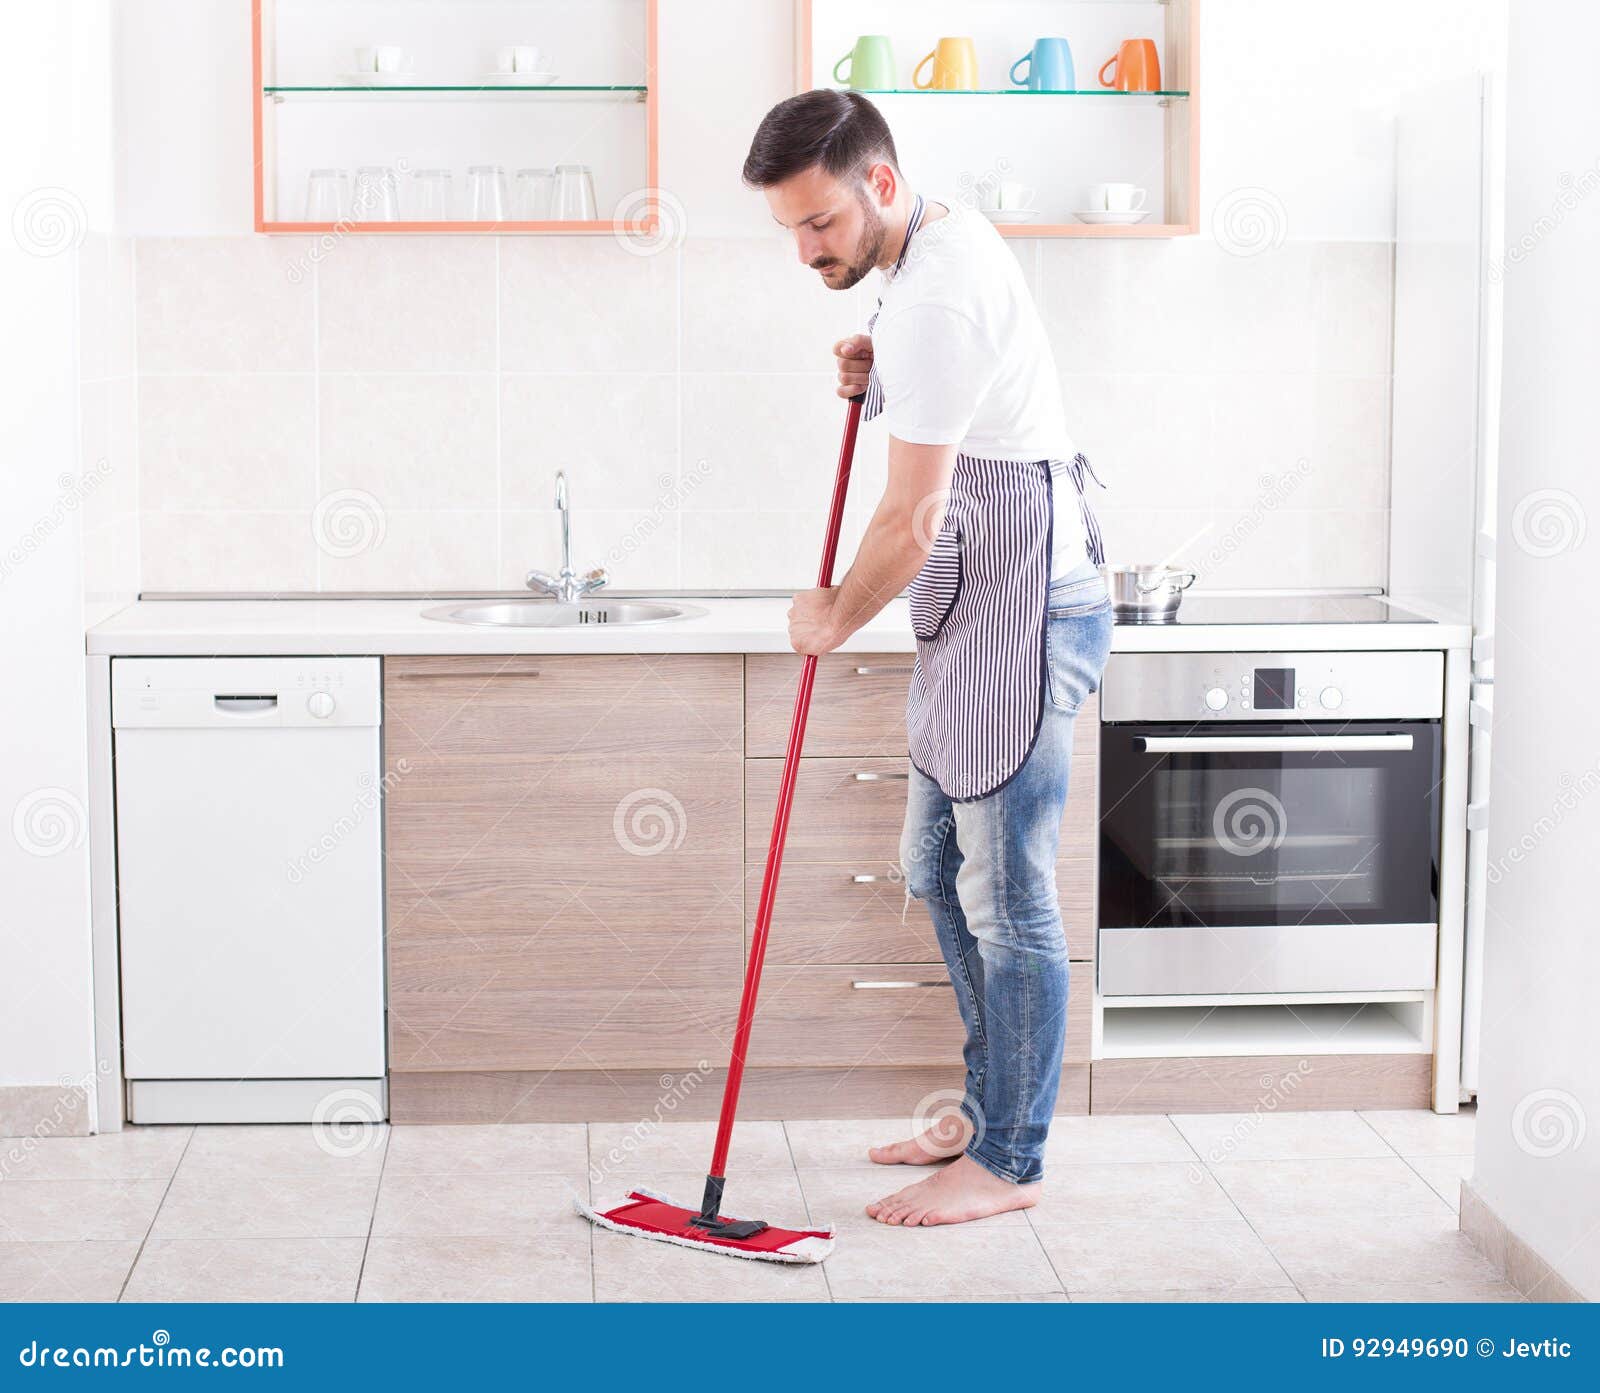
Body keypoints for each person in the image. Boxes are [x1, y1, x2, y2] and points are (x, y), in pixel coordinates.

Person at [742, 90, 1114, 1227]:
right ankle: (979, 1109)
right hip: (979, 601)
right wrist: (879, 375)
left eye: (821, 226)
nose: (807, 251)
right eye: (791, 231)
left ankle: (1010, 1158)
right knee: (932, 862)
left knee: (1009, 899)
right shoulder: (922, 256)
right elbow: (959, 410)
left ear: (883, 186)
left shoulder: (932, 297)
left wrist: (831, 620)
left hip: (1024, 606)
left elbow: (908, 522)